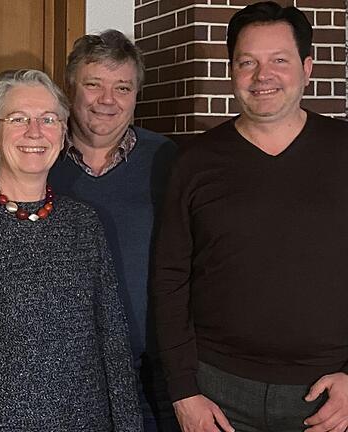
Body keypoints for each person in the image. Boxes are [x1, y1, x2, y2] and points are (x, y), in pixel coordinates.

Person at [151, 2, 348, 431]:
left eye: (279, 60)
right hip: (217, 394)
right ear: (231, 71)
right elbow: (168, 279)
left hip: (329, 396)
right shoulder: (193, 161)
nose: (263, 76)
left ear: (307, 67)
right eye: (248, 62)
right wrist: (184, 392)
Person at [0, 69, 142, 431]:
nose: (35, 132)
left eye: (48, 119)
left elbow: (112, 342)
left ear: (63, 131)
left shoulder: (84, 224)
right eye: (18, 119)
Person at [48, 30, 179, 431]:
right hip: (62, 379)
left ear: (136, 94)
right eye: (94, 85)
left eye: (122, 87)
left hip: (152, 377)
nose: (108, 100)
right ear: (71, 87)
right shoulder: (38, 155)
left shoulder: (169, 161)